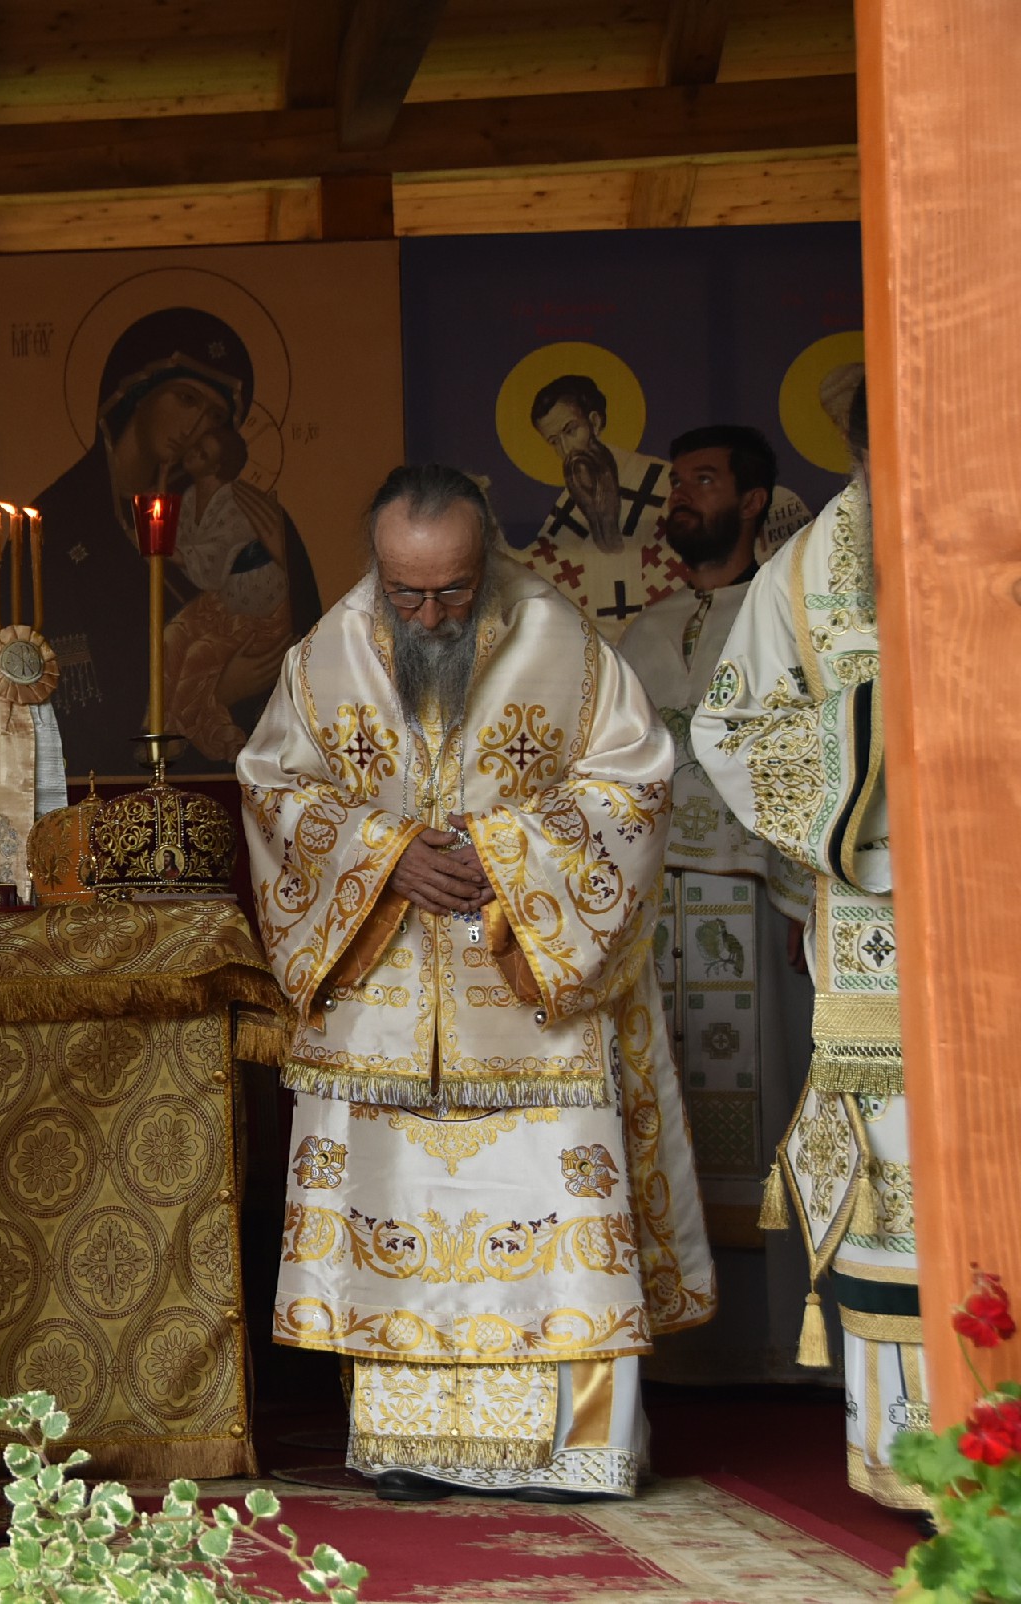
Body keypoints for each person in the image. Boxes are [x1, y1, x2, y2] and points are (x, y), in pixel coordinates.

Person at [238, 464, 712, 1502]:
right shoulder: (327, 652)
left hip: (532, 995)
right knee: (399, 1206)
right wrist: (383, 855)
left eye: (450, 590)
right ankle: (413, 1446)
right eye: (405, 591)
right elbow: (272, 783)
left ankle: (576, 1447)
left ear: (486, 557)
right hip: (387, 1002)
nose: (427, 615)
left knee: (550, 1208)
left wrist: (506, 853)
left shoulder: (561, 642)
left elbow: (635, 782)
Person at [691, 382, 925, 1510]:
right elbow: (731, 730)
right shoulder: (806, 574)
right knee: (899, 1192)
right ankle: (929, 1464)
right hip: (887, 931)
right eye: (889, 451)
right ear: (861, 451)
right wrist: (879, 724)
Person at [617, 427, 818, 1384]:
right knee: (668, 1109)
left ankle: (781, 1342)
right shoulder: (641, 633)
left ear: (751, 500)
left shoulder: (788, 619)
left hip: (752, 902)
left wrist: (807, 893)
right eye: (677, 485)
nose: (682, 500)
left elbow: (807, 765)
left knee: (770, 1111)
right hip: (655, 916)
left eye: (705, 482)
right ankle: (682, 1350)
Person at [33, 307, 321, 774]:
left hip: (225, 788)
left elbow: (296, 652)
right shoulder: (59, 523)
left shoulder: (237, 514)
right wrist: (217, 691)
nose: (194, 426)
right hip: (106, 791)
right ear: (136, 390)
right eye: (186, 398)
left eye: (214, 415)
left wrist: (282, 557)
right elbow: (69, 696)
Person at [519, 377, 812, 642]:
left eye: (704, 480)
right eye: (554, 442)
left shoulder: (786, 623)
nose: (679, 494)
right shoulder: (648, 632)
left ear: (594, 422)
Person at [163, 422, 304, 762]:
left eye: (202, 454)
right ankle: (169, 726)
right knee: (169, 637)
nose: (192, 455)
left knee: (198, 655)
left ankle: (187, 738)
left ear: (217, 466)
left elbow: (209, 564)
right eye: (195, 448)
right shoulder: (191, 497)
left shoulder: (237, 504)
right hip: (225, 602)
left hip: (260, 609)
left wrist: (161, 548)